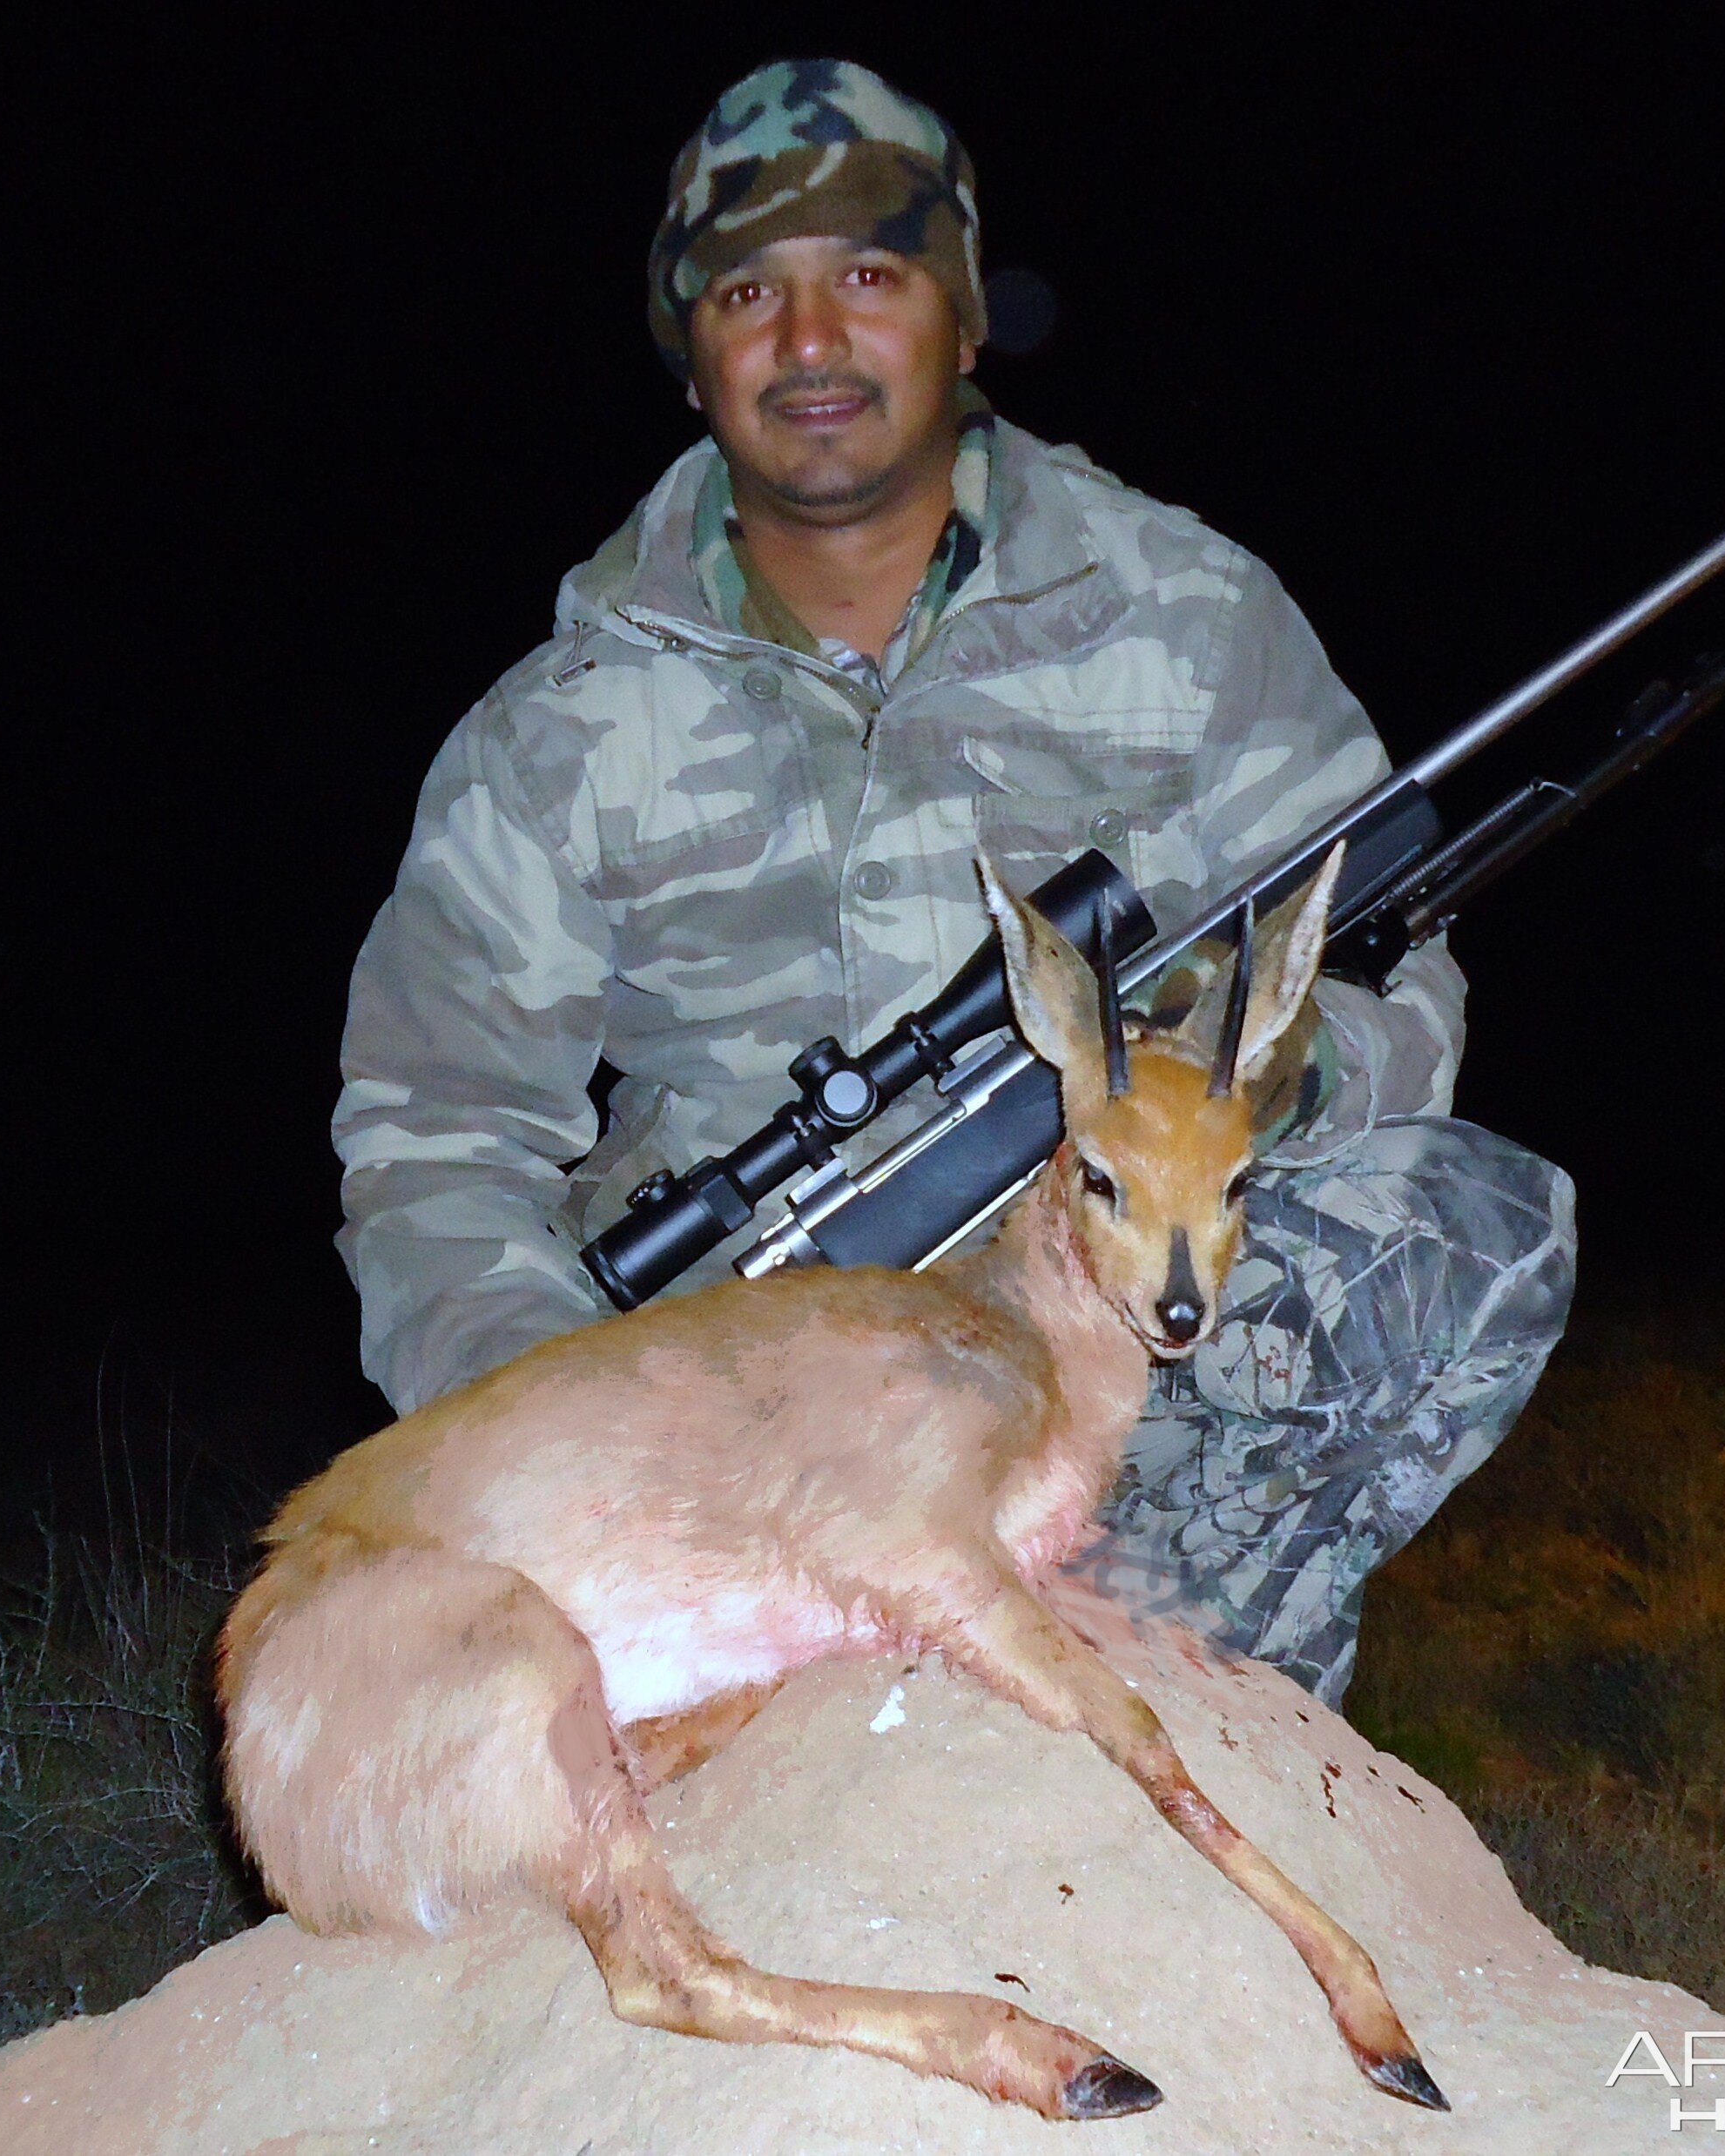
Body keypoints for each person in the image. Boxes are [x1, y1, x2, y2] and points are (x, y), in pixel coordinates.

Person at [334, 58, 1576, 1708]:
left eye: (870, 274)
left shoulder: (1183, 613)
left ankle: (1182, 1687)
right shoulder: (559, 730)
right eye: (747, 294)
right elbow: (435, 1137)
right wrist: (563, 1425)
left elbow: (1393, 978)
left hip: (1109, 1309)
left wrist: (1239, 1083)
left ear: (968, 318)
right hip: (751, 1369)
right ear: (690, 360)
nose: (808, 340)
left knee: (1460, 1220)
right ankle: (812, 1688)